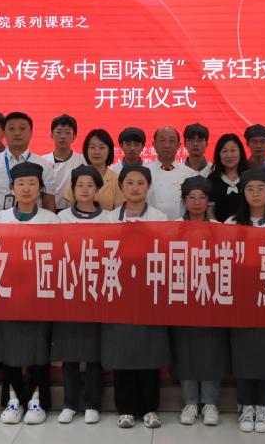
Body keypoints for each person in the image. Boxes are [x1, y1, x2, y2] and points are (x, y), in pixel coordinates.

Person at [0, 162, 59, 425]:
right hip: (7, 294)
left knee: (38, 348)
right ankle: (13, 399)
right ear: (12, 188)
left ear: (40, 188)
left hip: (39, 293)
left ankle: (37, 399)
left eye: (32, 183)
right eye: (21, 183)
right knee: (10, 348)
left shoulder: (50, 219)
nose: (26, 188)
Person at [103, 164, 169, 429]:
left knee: (149, 351)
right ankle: (126, 408)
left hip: (149, 291)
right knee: (123, 351)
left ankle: (150, 408)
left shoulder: (160, 218)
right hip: (119, 291)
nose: (135, 188)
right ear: (121, 186)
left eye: (140, 183)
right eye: (129, 182)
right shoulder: (109, 219)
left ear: (148, 187)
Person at [225, 169, 265, 433]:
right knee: (243, 353)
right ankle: (246, 405)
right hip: (241, 300)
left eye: (261, 188)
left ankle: (264, 405)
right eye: (250, 189)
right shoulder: (231, 223)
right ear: (243, 193)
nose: (256, 193)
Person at [53, 165, 111, 425]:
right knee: (70, 350)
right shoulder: (62, 218)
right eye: (80, 185)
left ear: (97, 189)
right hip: (69, 290)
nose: (85, 190)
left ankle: (92, 403)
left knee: (94, 352)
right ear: (73, 189)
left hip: (98, 291)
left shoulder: (108, 219)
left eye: (90, 185)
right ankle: (69, 403)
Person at [172, 176, 229, 426]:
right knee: (185, 349)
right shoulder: (174, 227)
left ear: (208, 201)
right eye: (191, 198)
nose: (197, 202)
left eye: (202, 198)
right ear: (184, 201)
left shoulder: (219, 228)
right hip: (182, 296)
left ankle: (210, 402)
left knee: (211, 350)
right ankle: (190, 402)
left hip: (211, 296)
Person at [0, 111, 56, 211]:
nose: (17, 133)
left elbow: (49, 201)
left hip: (33, 219)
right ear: (4, 133)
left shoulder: (43, 165)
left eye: (22, 128)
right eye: (11, 129)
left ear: (31, 133)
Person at [61, 129, 125, 211]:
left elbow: (119, 213)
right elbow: (69, 211)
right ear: (86, 150)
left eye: (101, 147)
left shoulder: (116, 179)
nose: (97, 152)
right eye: (92, 147)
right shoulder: (76, 175)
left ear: (109, 150)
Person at [146, 126, 197, 220]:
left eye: (171, 141)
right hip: (151, 225)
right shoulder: (144, 173)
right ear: (154, 144)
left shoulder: (190, 174)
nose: (167, 145)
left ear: (179, 145)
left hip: (181, 226)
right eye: (162, 140)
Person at [43, 114, 86, 210]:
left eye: (67, 132)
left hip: (74, 211)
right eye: (58, 132)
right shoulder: (43, 161)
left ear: (74, 136)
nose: (63, 136)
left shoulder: (83, 161)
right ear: (51, 135)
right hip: (47, 211)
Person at [207, 133, 249, 222]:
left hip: (248, 228)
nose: (229, 155)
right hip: (219, 229)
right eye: (224, 151)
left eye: (233, 150)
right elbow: (210, 213)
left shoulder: (250, 177)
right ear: (219, 154)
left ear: (240, 152)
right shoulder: (212, 180)